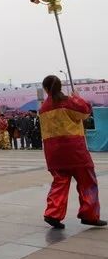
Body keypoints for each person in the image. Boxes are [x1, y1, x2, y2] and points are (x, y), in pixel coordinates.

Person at [39, 75, 106, 229]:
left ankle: (52, 213)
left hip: (53, 152)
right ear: (60, 87)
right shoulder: (69, 101)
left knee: (60, 182)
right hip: (74, 149)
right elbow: (85, 112)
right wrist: (78, 98)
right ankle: (89, 215)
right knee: (87, 181)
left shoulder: (43, 108)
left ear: (46, 89)